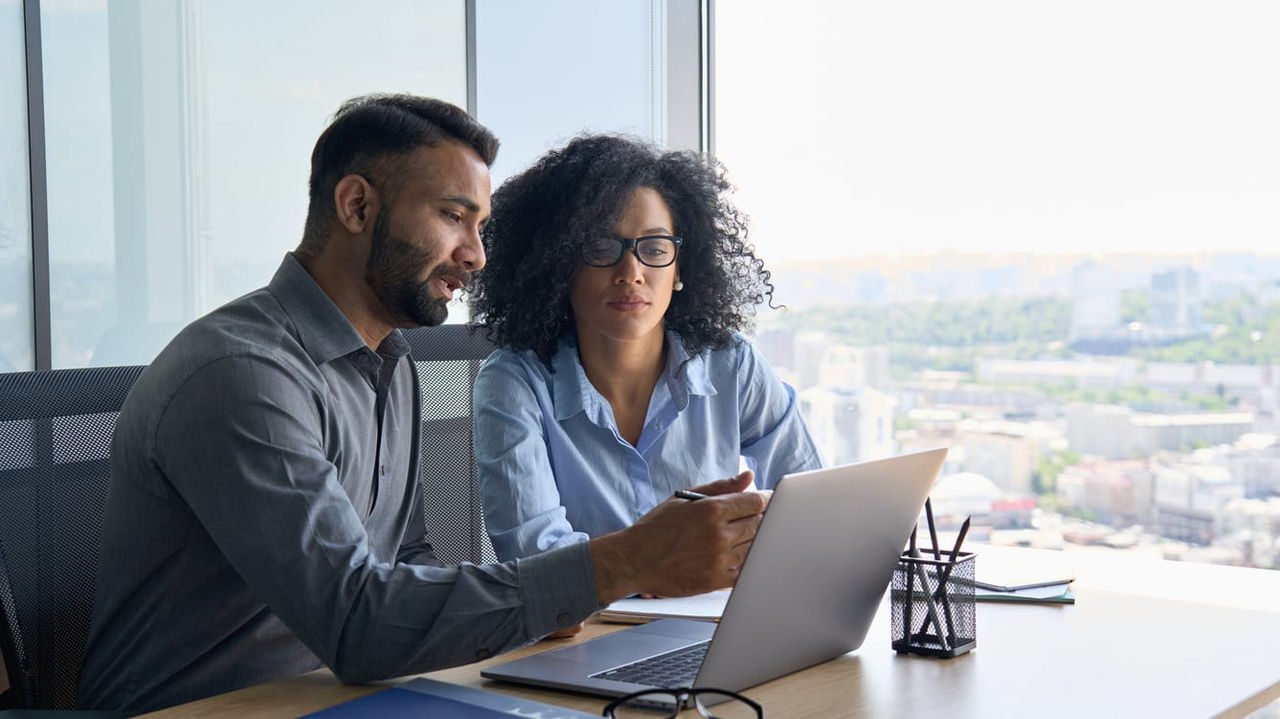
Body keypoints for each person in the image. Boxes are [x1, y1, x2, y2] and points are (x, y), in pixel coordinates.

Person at [75, 96, 767, 713]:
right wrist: (618, 564)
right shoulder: (242, 374)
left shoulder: (392, 363)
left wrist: (541, 599)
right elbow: (357, 622)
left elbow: (407, 559)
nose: (476, 255)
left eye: (481, 225)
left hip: (349, 695)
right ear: (356, 207)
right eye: (453, 217)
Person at [469, 135, 822, 565]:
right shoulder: (514, 382)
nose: (631, 273)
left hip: (718, 619)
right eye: (602, 248)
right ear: (560, 264)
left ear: (679, 269)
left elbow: (810, 503)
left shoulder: (732, 364)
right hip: (585, 629)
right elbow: (535, 559)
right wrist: (651, 567)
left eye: (655, 249)